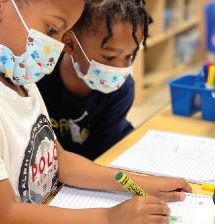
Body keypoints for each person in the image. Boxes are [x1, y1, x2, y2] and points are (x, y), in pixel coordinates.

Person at [0, 0, 191, 224]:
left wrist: (140, 184)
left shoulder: (19, 79)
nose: (58, 48)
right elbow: (5, 217)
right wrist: (110, 219)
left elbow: (59, 161)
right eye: (53, 30)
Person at [37, 0, 152, 160]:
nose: (120, 67)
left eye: (129, 56)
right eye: (109, 56)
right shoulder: (39, 77)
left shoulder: (122, 89)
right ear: (69, 43)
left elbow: (104, 159)